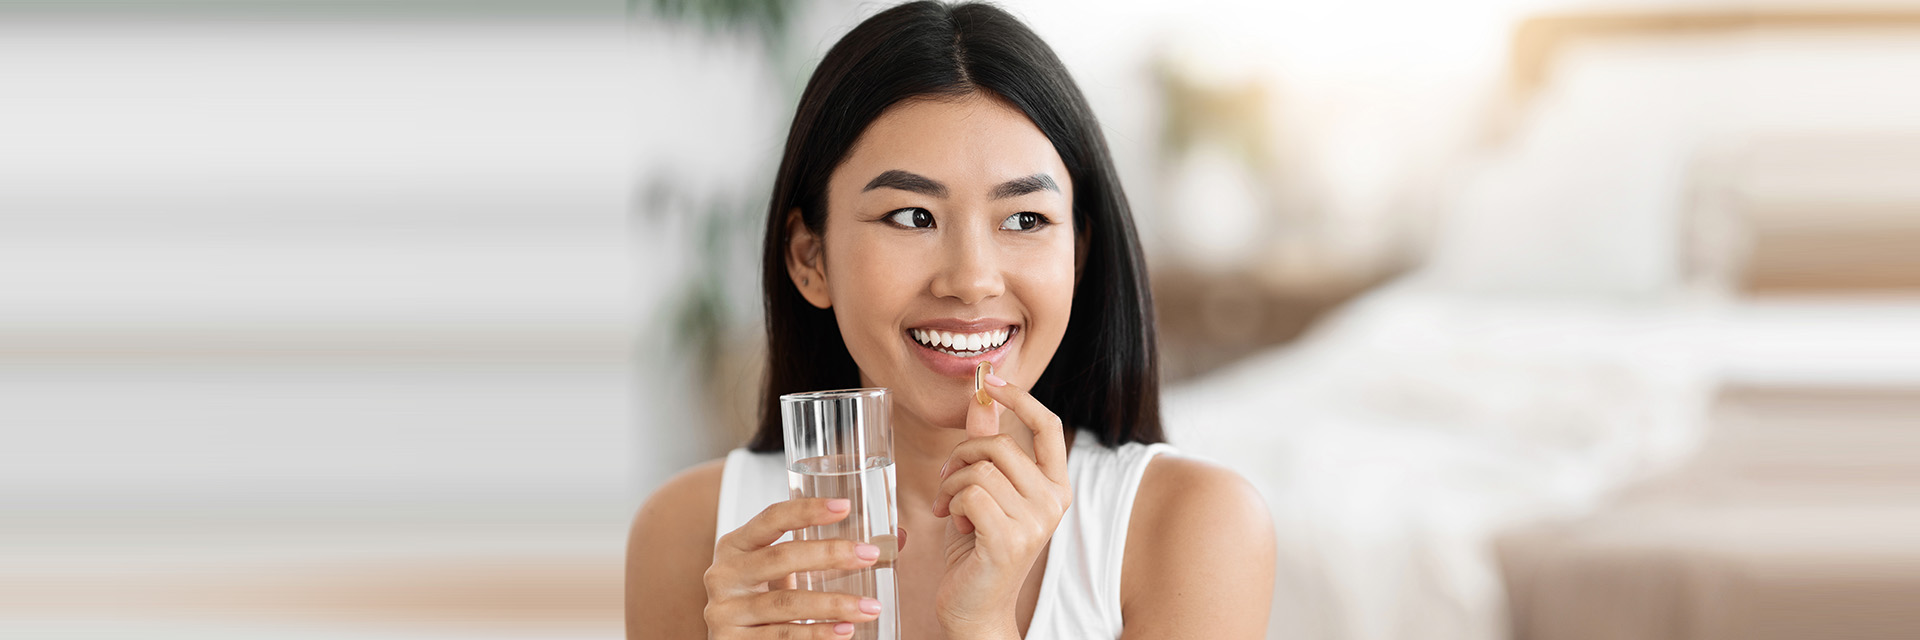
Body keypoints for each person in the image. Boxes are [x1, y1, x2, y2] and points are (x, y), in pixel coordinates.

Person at [628, 2, 1275, 637]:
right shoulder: (690, 535)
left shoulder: (1192, 528)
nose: (971, 280)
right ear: (810, 258)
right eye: (912, 216)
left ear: (1077, 255)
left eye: (1025, 219)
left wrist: (983, 624)